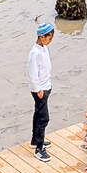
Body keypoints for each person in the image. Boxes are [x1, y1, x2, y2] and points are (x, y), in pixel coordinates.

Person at [28, 22, 55, 161]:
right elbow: (33, 73)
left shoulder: (44, 48)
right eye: (49, 38)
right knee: (44, 118)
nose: (50, 41)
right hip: (40, 90)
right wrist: (38, 89)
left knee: (38, 114)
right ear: (41, 37)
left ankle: (35, 140)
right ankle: (39, 149)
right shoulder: (35, 52)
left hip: (46, 86)